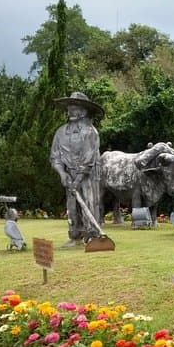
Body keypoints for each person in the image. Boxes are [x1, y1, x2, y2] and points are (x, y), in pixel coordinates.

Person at [50, 92, 103, 247]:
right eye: (69, 108)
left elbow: (89, 159)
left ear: (84, 112)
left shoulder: (90, 132)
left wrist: (78, 179)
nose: (70, 111)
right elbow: (55, 156)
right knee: (72, 205)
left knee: (89, 202)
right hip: (69, 174)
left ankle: (92, 235)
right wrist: (62, 174)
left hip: (88, 175)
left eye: (74, 108)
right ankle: (75, 235)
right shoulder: (60, 133)